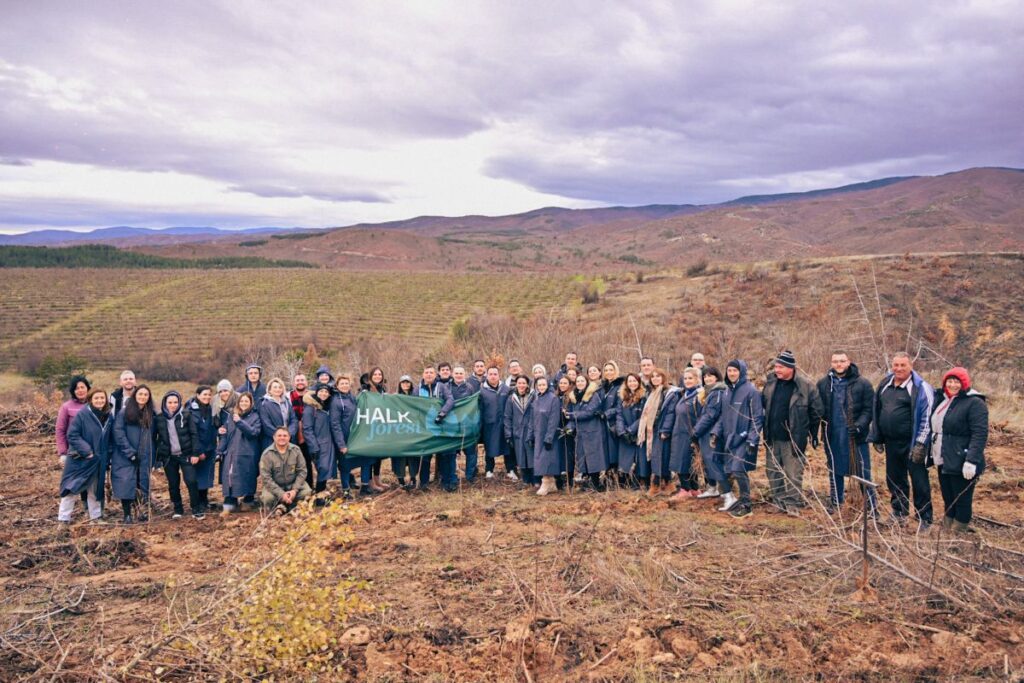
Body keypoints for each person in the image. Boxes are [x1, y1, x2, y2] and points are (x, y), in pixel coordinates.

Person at [868, 352, 935, 531]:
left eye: (902, 365)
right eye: (895, 365)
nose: (898, 368)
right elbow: (878, 410)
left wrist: (921, 444)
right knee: (895, 478)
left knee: (919, 481)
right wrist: (878, 436)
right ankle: (899, 512)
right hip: (891, 442)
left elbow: (928, 418)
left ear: (910, 366)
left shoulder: (921, 388)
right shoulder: (885, 384)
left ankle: (924, 518)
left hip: (913, 444)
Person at [761, 350, 823, 515]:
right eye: (776, 367)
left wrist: (813, 434)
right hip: (772, 437)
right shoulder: (771, 384)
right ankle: (779, 502)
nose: (777, 370)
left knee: (793, 474)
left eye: (781, 367)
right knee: (773, 472)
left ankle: (794, 505)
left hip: (794, 439)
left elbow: (816, 413)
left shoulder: (806, 386)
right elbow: (764, 407)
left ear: (791, 368)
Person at [816, 352, 876, 515]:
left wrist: (859, 426)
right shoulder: (823, 383)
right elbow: (818, 409)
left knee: (863, 471)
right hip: (833, 434)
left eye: (842, 361)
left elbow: (869, 409)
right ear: (831, 362)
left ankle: (871, 507)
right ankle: (836, 503)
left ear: (849, 362)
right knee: (834, 469)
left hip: (856, 436)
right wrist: (816, 433)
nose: (839, 364)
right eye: (835, 361)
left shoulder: (862, 383)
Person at [930, 367, 988, 533]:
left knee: (961, 497)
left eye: (957, 381)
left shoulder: (974, 403)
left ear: (964, 383)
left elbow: (979, 433)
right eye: (950, 381)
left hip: (961, 458)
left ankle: (959, 532)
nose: (953, 385)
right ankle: (947, 528)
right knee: (948, 495)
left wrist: (971, 460)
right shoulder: (943, 399)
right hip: (943, 456)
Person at [715, 360, 764, 518]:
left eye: (735, 370)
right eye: (729, 370)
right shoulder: (727, 391)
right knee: (733, 470)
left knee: (738, 469)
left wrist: (752, 439)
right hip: (730, 438)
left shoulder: (751, 391)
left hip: (744, 438)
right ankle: (741, 500)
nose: (732, 373)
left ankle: (746, 504)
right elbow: (723, 416)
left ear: (742, 371)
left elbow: (757, 417)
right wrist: (716, 432)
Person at [59, 388, 111, 524]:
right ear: (90, 400)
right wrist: (87, 451)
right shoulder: (83, 415)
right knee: (71, 488)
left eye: (102, 398)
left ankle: (96, 517)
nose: (99, 400)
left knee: (94, 489)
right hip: (80, 459)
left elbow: (110, 438)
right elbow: (72, 435)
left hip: (98, 460)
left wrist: (108, 456)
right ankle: (63, 519)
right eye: (96, 398)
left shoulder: (108, 416)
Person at [112, 384, 156, 524]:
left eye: (146, 395)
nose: (143, 397)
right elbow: (118, 433)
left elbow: (153, 436)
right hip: (125, 456)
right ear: (135, 395)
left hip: (144, 456)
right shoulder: (124, 413)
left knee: (141, 482)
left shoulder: (150, 414)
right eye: (140, 394)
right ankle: (127, 514)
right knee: (126, 483)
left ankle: (140, 511)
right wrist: (130, 453)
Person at [155, 391, 201, 520]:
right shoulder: (159, 418)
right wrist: (159, 456)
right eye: (170, 402)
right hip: (169, 457)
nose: (173, 405)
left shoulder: (186, 415)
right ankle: (178, 509)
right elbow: (155, 438)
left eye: (175, 402)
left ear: (179, 402)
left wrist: (195, 453)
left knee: (191, 481)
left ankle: (196, 508)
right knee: (173, 483)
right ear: (165, 403)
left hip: (186, 454)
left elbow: (194, 434)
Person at [664, 367, 704, 501]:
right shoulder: (685, 394)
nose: (687, 381)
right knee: (685, 461)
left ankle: (685, 489)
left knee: (684, 462)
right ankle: (694, 489)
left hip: (689, 433)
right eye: (685, 378)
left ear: (697, 379)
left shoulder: (699, 395)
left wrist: (696, 433)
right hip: (679, 433)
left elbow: (701, 416)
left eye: (690, 378)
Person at [217, 391, 260, 514]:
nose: (244, 403)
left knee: (248, 475)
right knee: (230, 475)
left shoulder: (255, 416)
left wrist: (240, 422)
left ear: (251, 403)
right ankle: (231, 499)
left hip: (248, 451)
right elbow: (225, 434)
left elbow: (254, 433)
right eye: (242, 401)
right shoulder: (232, 415)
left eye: (246, 401)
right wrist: (219, 449)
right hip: (231, 450)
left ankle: (248, 499)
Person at [691, 367, 727, 498]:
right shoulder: (708, 392)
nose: (707, 378)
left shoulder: (718, 392)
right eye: (705, 377)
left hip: (711, 432)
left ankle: (725, 492)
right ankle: (712, 488)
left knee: (714, 461)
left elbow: (710, 415)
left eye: (710, 376)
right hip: (705, 432)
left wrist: (696, 431)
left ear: (717, 377)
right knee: (707, 461)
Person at [569, 374, 609, 491]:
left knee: (594, 458)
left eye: (582, 381)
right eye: (578, 381)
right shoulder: (574, 397)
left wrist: (572, 415)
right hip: (581, 431)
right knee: (583, 458)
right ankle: (588, 482)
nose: (580, 383)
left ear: (586, 382)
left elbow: (590, 412)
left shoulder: (593, 395)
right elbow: (572, 414)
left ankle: (596, 483)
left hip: (593, 430)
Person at [259, 427, 312, 515]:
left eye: (285, 435)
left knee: (307, 493)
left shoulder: (296, 450)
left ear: (289, 437)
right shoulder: (267, 454)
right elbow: (266, 478)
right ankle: (280, 507)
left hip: (293, 484)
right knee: (268, 498)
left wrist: (294, 490)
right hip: (275, 486)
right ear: (274, 437)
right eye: (279, 436)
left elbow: (302, 471)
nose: (282, 438)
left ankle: (288, 507)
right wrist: (281, 494)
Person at [421, 365, 457, 492]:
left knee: (445, 454)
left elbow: (450, 400)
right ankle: (423, 483)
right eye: (427, 372)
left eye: (431, 372)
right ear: (423, 375)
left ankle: (448, 481)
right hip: (424, 428)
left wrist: (442, 413)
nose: (429, 374)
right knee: (425, 456)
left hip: (441, 425)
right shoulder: (417, 389)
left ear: (436, 375)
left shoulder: (441, 387)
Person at [642, 369, 677, 496]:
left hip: (663, 429)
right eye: (653, 377)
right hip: (652, 429)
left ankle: (662, 484)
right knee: (656, 457)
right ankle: (661, 483)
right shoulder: (651, 393)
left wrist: (666, 430)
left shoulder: (669, 393)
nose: (655, 379)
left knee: (663, 456)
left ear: (663, 378)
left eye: (658, 376)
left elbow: (670, 413)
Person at [526, 377, 562, 495]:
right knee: (539, 459)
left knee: (547, 459)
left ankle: (546, 482)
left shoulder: (553, 399)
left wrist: (549, 437)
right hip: (538, 434)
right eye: (539, 385)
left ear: (548, 385)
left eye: (543, 384)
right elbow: (531, 420)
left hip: (548, 435)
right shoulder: (535, 400)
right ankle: (551, 483)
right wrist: (530, 435)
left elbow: (554, 420)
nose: (541, 387)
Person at [302, 382, 336, 502]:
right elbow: (307, 429)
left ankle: (321, 494)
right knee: (322, 468)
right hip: (317, 444)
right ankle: (319, 497)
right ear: (316, 392)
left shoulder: (326, 407)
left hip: (328, 443)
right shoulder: (310, 408)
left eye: (326, 392)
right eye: (321, 391)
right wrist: (314, 446)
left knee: (326, 469)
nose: (323, 394)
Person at [478, 366, 512, 481]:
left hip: (504, 424)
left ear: (499, 375)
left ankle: (511, 470)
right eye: (491, 374)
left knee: (508, 448)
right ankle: (489, 470)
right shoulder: (482, 391)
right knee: (490, 448)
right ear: (487, 376)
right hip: (489, 424)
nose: (493, 376)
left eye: (495, 374)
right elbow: (480, 409)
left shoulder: (506, 389)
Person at [330, 375, 361, 498]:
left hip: (353, 437)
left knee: (351, 464)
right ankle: (346, 490)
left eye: (346, 383)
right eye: (342, 383)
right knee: (344, 465)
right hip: (342, 438)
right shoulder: (336, 401)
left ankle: (352, 484)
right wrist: (341, 444)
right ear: (337, 386)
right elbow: (335, 424)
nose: (344, 385)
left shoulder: (352, 398)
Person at [187, 387, 218, 513]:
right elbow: (193, 433)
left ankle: (204, 501)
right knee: (197, 476)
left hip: (210, 448)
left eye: (209, 395)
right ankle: (197, 502)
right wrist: (198, 451)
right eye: (204, 394)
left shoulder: (211, 409)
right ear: (198, 395)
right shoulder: (190, 410)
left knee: (206, 476)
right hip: (197, 449)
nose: (207, 397)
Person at [616, 373, 647, 489]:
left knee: (639, 459)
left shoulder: (643, 397)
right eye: (630, 381)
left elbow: (643, 416)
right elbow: (619, 415)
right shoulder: (622, 397)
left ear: (639, 383)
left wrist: (631, 430)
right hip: (625, 434)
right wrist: (622, 432)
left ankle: (638, 482)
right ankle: (625, 482)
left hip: (637, 432)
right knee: (625, 459)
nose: (632, 383)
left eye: (634, 381)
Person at [504, 375, 534, 485]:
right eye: (519, 383)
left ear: (527, 384)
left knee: (531, 455)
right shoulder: (511, 398)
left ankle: (535, 479)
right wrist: (508, 434)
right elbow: (507, 417)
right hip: (517, 431)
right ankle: (525, 479)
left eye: (523, 383)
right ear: (516, 384)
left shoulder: (533, 396)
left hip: (530, 430)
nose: (521, 385)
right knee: (521, 456)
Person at [56, 375, 91, 469]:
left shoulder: (95, 404)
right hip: (73, 452)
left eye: (82, 387)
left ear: (88, 388)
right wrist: (63, 453)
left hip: (92, 451)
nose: (80, 390)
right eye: (76, 388)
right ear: (73, 391)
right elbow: (60, 430)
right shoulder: (66, 407)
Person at [258, 378, 298, 455]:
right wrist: (280, 437)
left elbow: (294, 419)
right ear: (269, 390)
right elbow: (266, 424)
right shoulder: (264, 404)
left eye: (280, 387)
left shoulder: (286, 402)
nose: (278, 389)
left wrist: (289, 434)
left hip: (289, 440)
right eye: (275, 387)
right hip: (271, 441)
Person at [392, 375, 419, 490]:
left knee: (413, 455)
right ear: (400, 384)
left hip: (413, 430)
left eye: (408, 382)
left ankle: (413, 478)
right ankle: (401, 480)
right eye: (403, 382)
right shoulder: (395, 397)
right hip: (399, 431)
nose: (406, 385)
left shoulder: (416, 397)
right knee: (399, 456)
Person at [365, 367, 389, 491]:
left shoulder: (383, 389)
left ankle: (377, 479)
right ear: (371, 376)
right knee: (370, 455)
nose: (378, 376)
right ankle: (369, 482)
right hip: (369, 426)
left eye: (380, 374)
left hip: (381, 426)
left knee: (378, 455)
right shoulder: (366, 388)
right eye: (375, 374)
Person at [600, 361, 624, 484]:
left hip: (613, 423)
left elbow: (619, 407)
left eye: (611, 370)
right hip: (602, 423)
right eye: (606, 370)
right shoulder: (603, 386)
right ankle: (608, 477)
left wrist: (607, 414)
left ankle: (618, 478)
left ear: (616, 371)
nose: (608, 372)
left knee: (614, 451)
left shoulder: (619, 386)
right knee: (606, 451)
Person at [290, 373, 313, 488]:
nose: (300, 382)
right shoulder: (288, 397)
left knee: (308, 462)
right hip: (294, 434)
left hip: (310, 433)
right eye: (298, 380)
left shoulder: (312, 396)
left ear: (306, 382)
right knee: (295, 463)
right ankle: (296, 487)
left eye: (302, 380)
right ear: (294, 383)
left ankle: (309, 486)